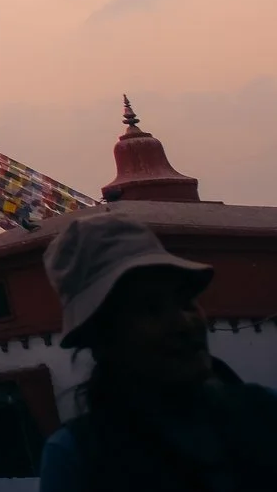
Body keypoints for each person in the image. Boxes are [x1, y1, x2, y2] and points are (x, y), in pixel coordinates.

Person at [38, 210, 277, 491]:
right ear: (102, 337)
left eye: (186, 302)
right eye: (150, 309)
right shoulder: (77, 459)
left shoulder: (263, 412)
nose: (184, 323)